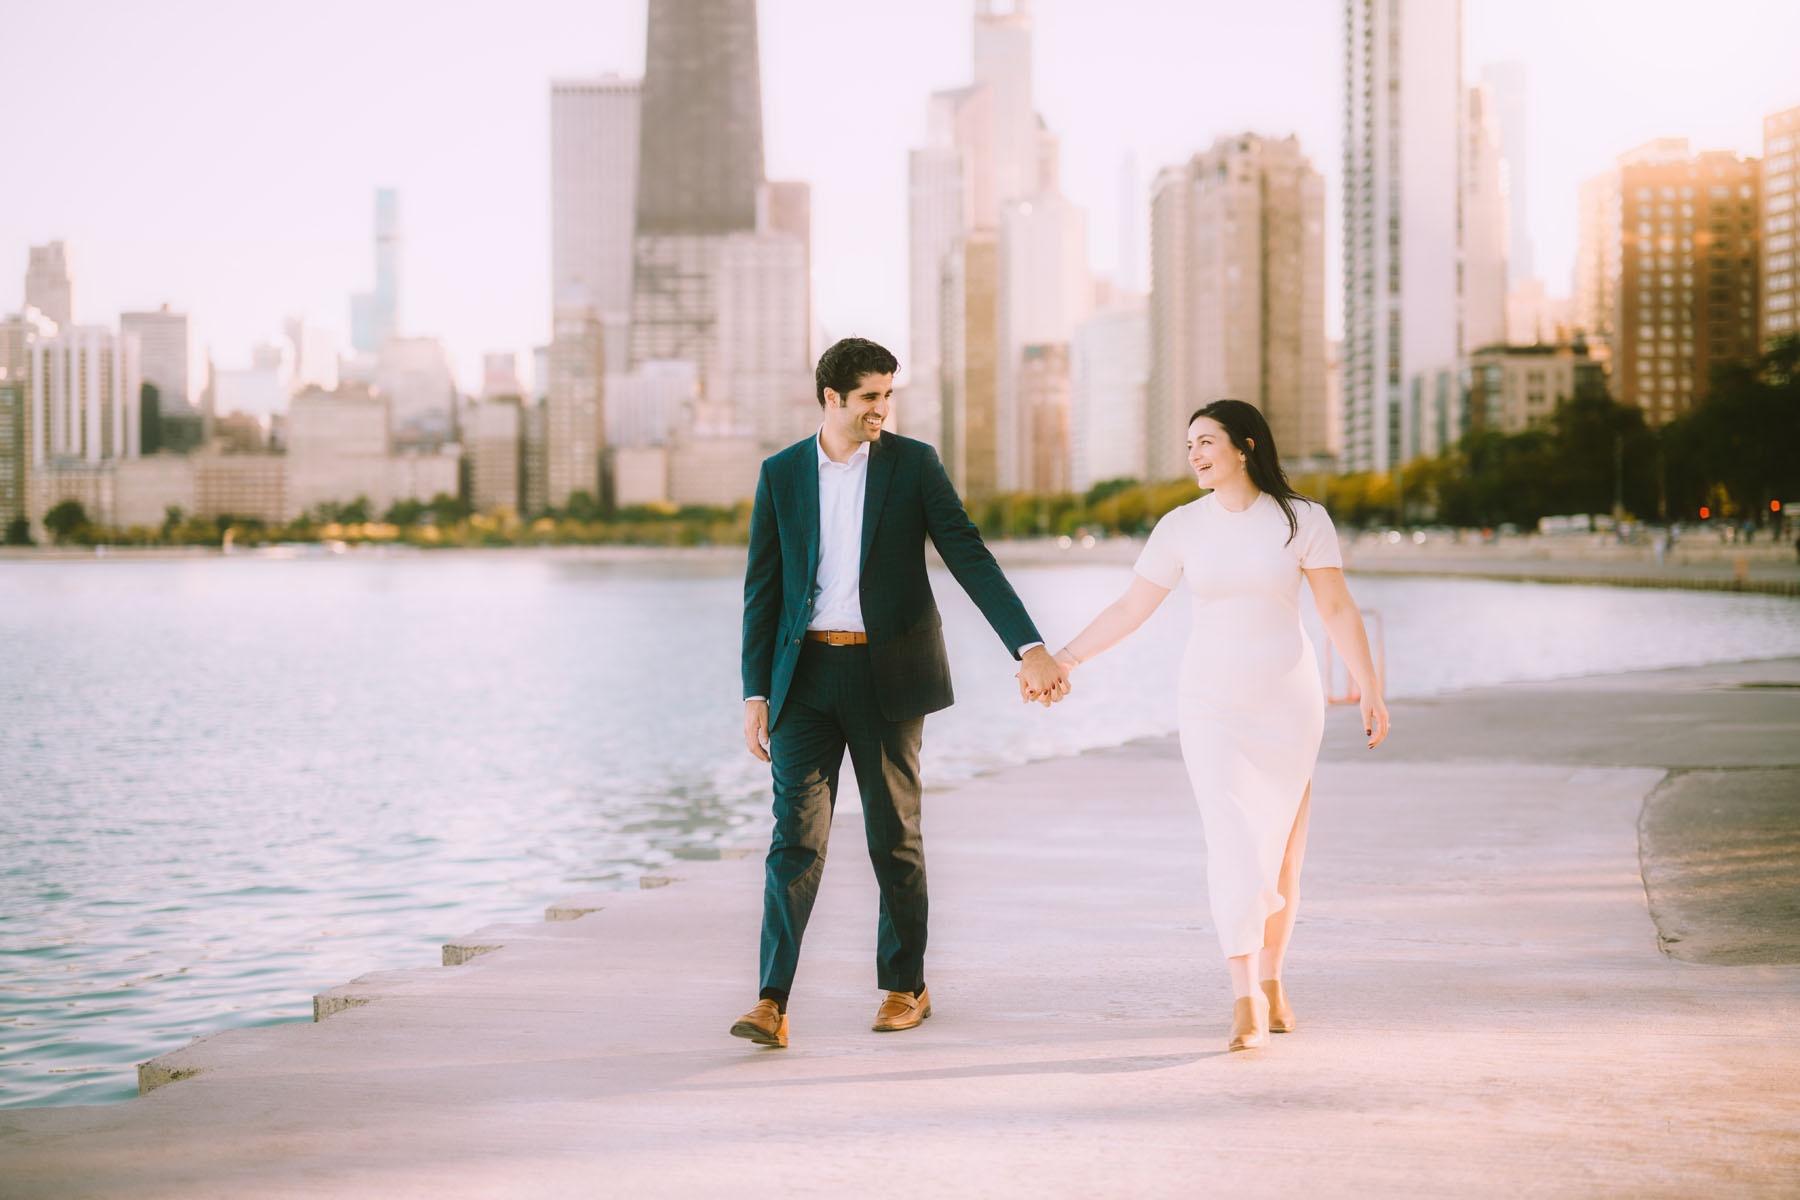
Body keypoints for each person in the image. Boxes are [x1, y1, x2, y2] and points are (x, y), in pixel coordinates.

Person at [731, 337, 1069, 1049]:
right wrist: (754, 692)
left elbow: (967, 552)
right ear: (833, 398)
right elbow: (763, 590)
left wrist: (1029, 645)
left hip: (890, 678)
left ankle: (903, 986)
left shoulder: (913, 466)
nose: (883, 409)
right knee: (795, 840)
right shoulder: (782, 474)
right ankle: (770, 1001)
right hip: (805, 680)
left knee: (895, 839)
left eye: (889, 395)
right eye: (870, 398)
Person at [1050, 400, 1388, 1052]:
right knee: (1234, 840)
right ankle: (1243, 998)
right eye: (1189, 445)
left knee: (1284, 853)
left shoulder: (1302, 519)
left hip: (1289, 703)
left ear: (1247, 446)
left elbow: (1337, 607)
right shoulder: (1181, 527)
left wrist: (1370, 688)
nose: (1196, 454)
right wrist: (1065, 659)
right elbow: (1130, 608)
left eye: (1207, 441)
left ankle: (1274, 979)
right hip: (1210, 706)